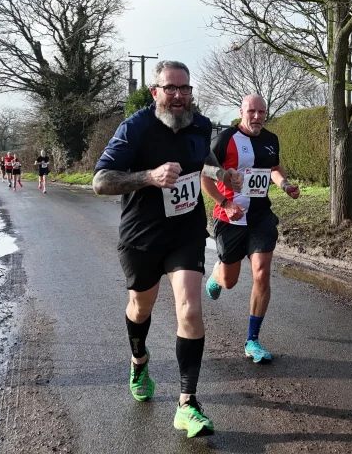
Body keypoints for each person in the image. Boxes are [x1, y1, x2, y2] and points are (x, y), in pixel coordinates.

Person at [93, 60, 243, 439]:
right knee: (141, 306)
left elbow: (202, 160)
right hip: (141, 236)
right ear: (155, 92)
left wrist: (221, 174)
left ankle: (187, 403)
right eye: (171, 88)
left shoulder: (201, 124)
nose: (179, 95)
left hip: (186, 232)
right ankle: (139, 359)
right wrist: (148, 177)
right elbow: (100, 181)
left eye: (185, 88)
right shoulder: (135, 128)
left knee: (190, 308)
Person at [200, 94, 300, 364]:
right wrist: (225, 202)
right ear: (241, 111)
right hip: (229, 218)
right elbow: (205, 178)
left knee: (261, 273)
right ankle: (217, 275)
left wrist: (285, 185)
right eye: (251, 111)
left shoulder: (270, 139)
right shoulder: (224, 140)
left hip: (260, 217)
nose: (257, 117)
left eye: (261, 112)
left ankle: (252, 340)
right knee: (230, 281)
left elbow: (274, 168)